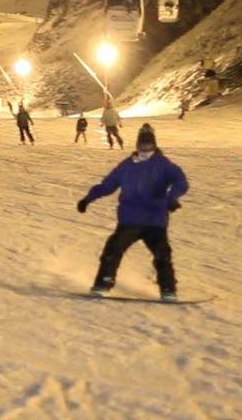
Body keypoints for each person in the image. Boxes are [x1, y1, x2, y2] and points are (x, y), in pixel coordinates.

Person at [77, 124, 188, 301]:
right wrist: (88, 199)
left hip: (154, 220)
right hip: (130, 220)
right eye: (142, 145)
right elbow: (107, 185)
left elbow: (181, 182)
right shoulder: (126, 166)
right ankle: (103, 284)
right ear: (137, 145)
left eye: (148, 145)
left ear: (154, 145)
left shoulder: (163, 164)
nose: (145, 149)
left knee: (162, 255)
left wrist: (172, 198)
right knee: (113, 250)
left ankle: (168, 289)